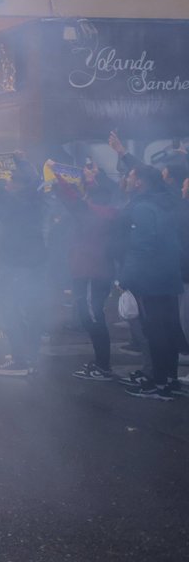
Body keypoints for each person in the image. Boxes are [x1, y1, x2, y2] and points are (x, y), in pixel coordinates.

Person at [115, 164, 184, 400]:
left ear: (139, 182)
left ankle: (158, 383)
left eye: (130, 175)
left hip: (150, 278)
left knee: (154, 331)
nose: (126, 178)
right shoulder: (166, 202)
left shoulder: (143, 207)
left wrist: (125, 277)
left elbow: (141, 246)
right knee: (168, 328)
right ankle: (170, 379)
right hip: (169, 275)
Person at [0, 158, 47, 378]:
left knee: (10, 311)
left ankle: (20, 360)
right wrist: (22, 162)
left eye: (10, 182)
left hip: (17, 264)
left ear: (18, 185)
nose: (7, 185)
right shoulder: (34, 199)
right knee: (27, 310)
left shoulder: (17, 202)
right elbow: (31, 179)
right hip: (31, 263)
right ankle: (28, 355)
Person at [53, 164, 119, 381]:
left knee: (92, 316)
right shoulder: (108, 212)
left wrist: (56, 176)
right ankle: (101, 364)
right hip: (96, 269)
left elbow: (71, 199)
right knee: (91, 315)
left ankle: (103, 366)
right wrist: (90, 180)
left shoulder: (94, 213)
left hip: (90, 271)